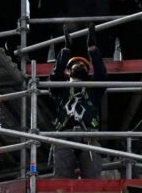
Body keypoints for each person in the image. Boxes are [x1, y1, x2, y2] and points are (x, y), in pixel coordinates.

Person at [51, 25, 107, 179]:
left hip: (89, 135)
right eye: (75, 64)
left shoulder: (93, 90)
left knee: (93, 181)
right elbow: (55, 75)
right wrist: (66, 50)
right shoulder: (60, 88)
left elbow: (102, 75)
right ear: (67, 71)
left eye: (83, 65)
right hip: (64, 135)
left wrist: (93, 50)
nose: (80, 65)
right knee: (61, 181)